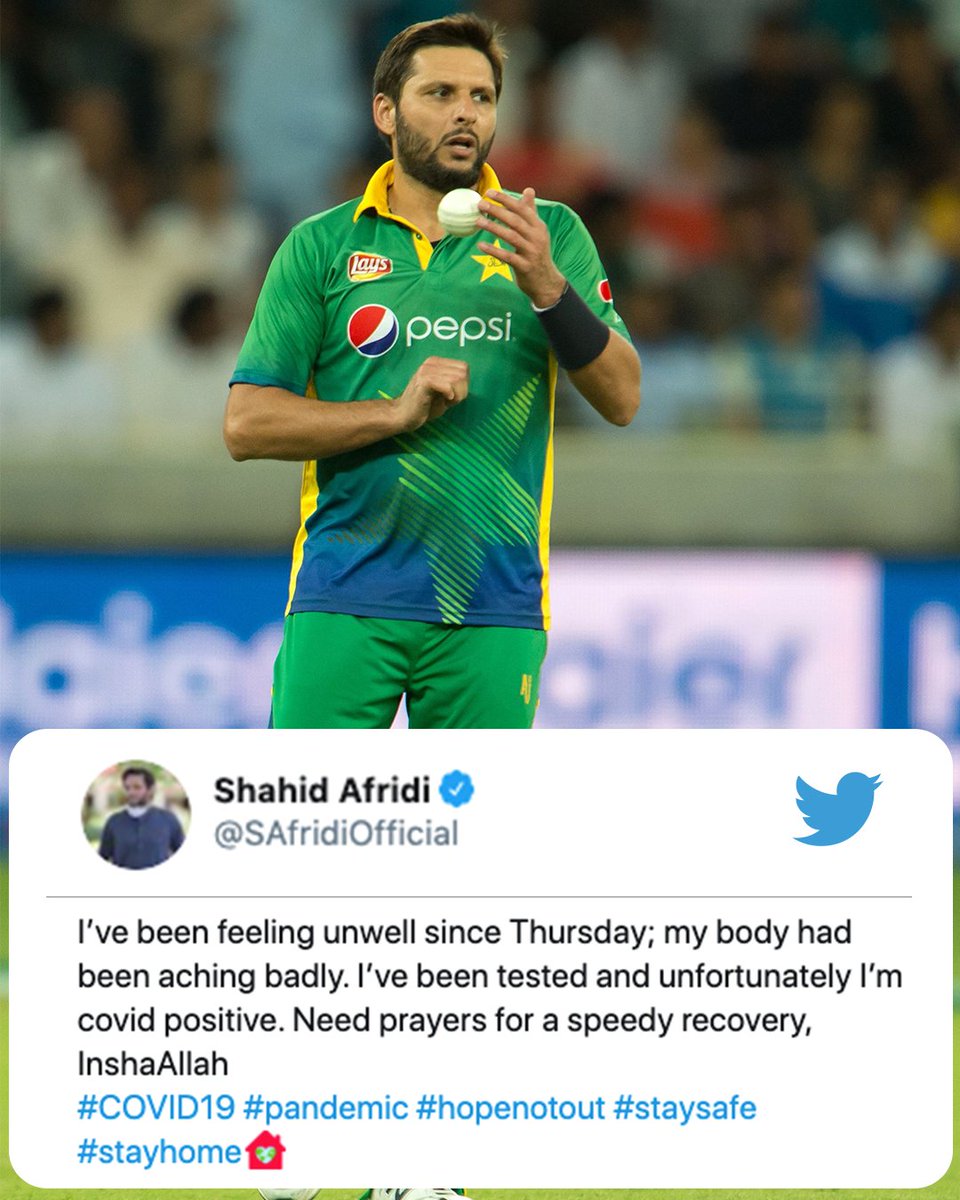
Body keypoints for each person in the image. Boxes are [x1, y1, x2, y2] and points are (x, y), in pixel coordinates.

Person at [224, 12, 640, 731]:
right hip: (343, 594)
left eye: (482, 97)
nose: (465, 113)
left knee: (479, 813)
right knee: (308, 807)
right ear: (386, 112)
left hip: (494, 603)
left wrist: (547, 287)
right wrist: (393, 413)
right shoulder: (320, 246)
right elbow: (246, 424)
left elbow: (624, 397)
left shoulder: (546, 236)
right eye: (440, 93)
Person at [98, 767, 185, 869]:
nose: (131, 792)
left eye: (137, 787)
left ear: (150, 789)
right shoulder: (114, 822)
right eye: (127, 788)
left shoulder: (168, 819)